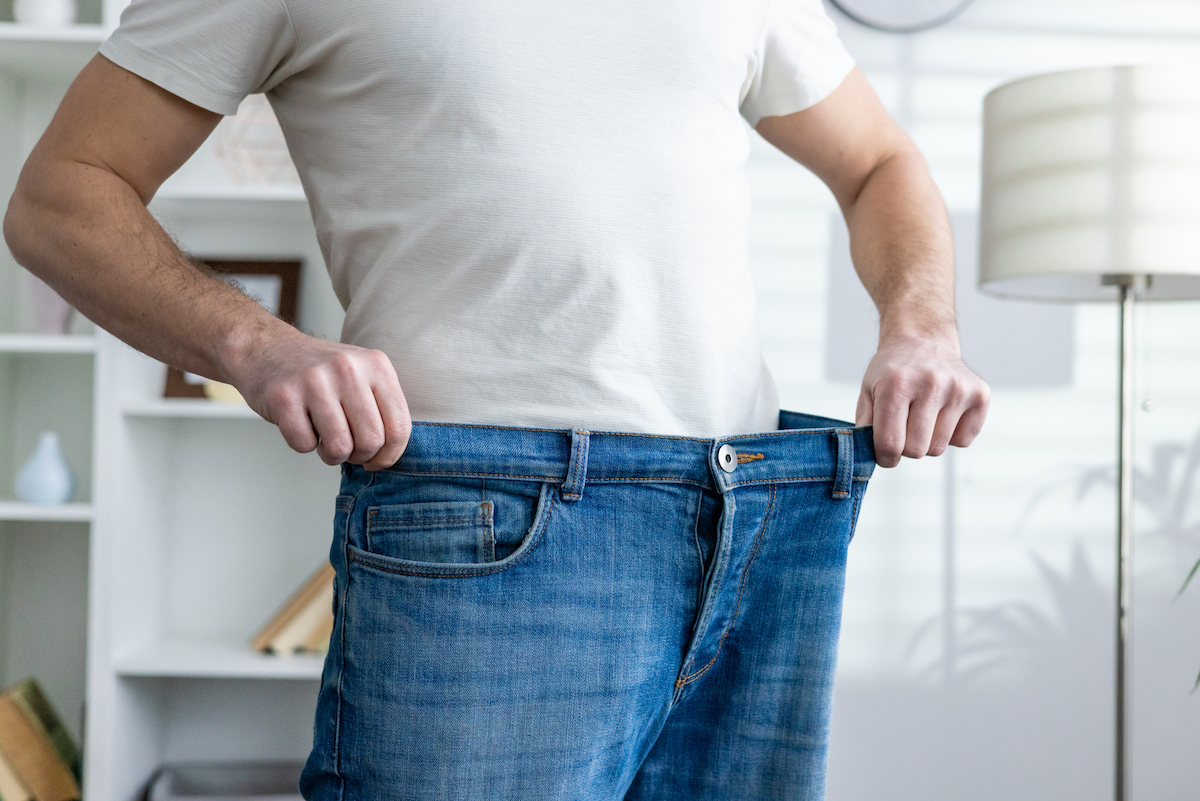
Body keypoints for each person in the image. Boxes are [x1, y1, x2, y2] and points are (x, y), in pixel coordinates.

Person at [4, 0, 990, 798]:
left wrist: (921, 326)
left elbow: (878, 164)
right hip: (495, 523)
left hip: (761, 517)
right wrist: (254, 344)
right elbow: (59, 196)